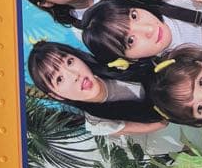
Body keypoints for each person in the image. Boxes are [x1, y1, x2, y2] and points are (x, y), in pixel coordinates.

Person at [27, 41, 165, 137]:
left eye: (69, 62)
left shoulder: (112, 61)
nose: (74, 75)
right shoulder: (99, 122)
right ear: (56, 96)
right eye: (59, 79)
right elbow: (159, 123)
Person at [81, 0, 202, 67]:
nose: (148, 29)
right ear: (128, 59)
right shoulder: (178, 70)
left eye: (134, 16)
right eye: (130, 40)